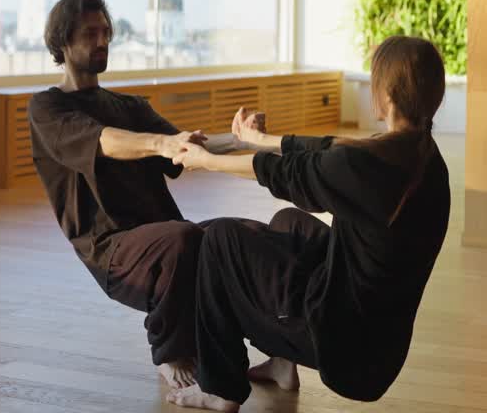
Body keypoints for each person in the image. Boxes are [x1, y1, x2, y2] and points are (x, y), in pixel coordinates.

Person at [165, 36, 451, 412]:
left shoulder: (370, 168)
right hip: (378, 339)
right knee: (290, 222)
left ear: (388, 94)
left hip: (342, 342)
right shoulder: (424, 158)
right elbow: (333, 148)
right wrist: (258, 139)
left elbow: (291, 171)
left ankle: (221, 388)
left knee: (220, 240)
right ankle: (283, 366)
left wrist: (206, 161)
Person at [28, 0, 262, 389]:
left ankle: (271, 351)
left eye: (105, 32)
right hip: (113, 250)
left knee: (235, 236)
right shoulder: (49, 109)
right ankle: (170, 351)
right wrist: (159, 142)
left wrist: (244, 138)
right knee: (185, 239)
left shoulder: (130, 105)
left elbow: (187, 148)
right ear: (62, 40)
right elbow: (103, 141)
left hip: (167, 236)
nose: (102, 41)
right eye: (89, 33)